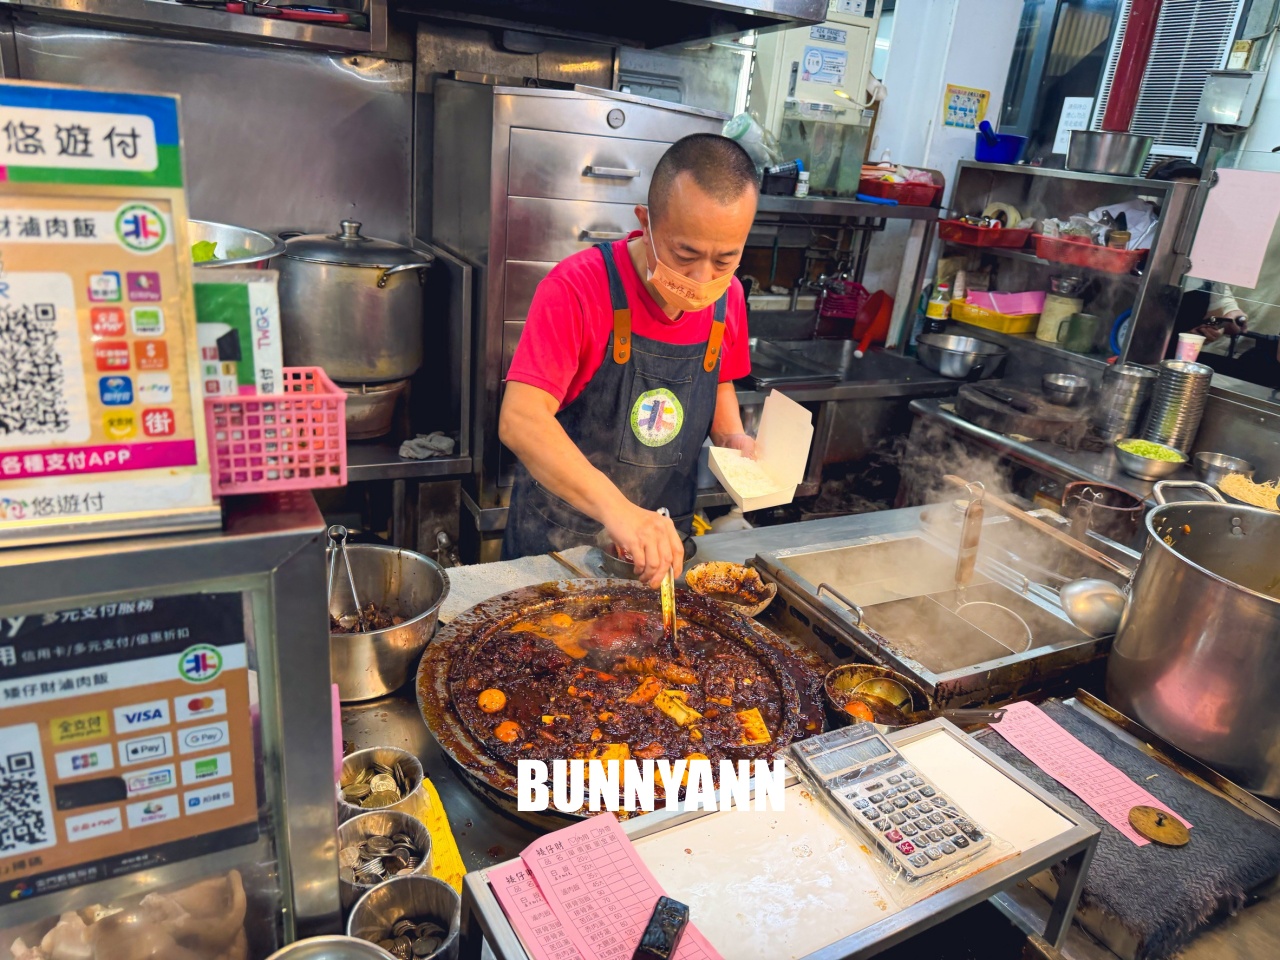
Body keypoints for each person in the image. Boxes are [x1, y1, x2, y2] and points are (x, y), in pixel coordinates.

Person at [499, 134, 759, 586]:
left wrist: (732, 436)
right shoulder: (577, 288)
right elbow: (520, 418)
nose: (703, 279)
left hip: (661, 548)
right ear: (646, 221)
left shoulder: (728, 297)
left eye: (725, 258)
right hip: (562, 546)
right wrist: (619, 510)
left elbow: (717, 379)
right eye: (686, 254)